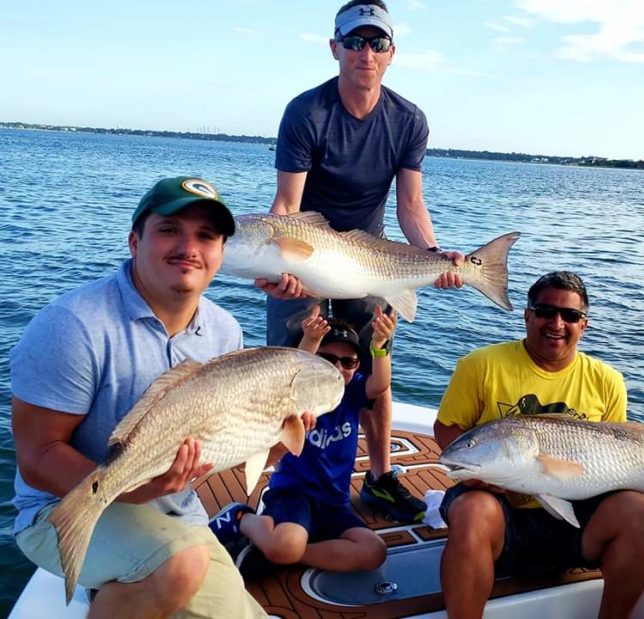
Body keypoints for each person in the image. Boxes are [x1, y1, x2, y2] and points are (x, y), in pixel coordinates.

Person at [10, 177, 266, 617]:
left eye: (206, 236)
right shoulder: (73, 325)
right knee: (180, 566)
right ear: (134, 241)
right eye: (169, 229)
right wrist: (131, 487)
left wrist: (276, 430)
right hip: (59, 508)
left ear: (221, 253)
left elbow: (227, 433)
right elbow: (37, 458)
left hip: (173, 514)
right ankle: (128, 581)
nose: (188, 247)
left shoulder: (225, 331)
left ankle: (126, 583)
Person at [259, 0, 458, 523]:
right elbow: (286, 207)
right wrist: (284, 268)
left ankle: (380, 477)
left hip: (368, 252)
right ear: (335, 49)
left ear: (392, 54)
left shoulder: (409, 119)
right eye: (354, 42)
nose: (365, 53)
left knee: (375, 368)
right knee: (290, 365)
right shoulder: (307, 112)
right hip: (309, 247)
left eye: (377, 43)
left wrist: (433, 258)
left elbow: (410, 205)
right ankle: (281, 478)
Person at [432, 271, 644, 619]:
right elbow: (447, 428)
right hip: (502, 515)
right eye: (544, 311)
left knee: (641, 511)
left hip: (576, 520)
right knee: (471, 510)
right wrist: (472, 474)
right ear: (527, 315)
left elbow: (619, 451)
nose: (556, 323)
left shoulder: (607, 381)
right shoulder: (480, 365)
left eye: (570, 315)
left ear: (583, 325)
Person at [210, 305, 394, 577]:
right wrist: (310, 339)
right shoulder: (297, 398)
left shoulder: (353, 391)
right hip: (293, 496)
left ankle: (291, 555)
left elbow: (379, 385)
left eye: (348, 362)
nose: (338, 367)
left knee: (374, 551)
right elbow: (294, 368)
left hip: (334, 503)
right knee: (285, 544)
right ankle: (241, 518)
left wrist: (379, 346)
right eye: (327, 358)